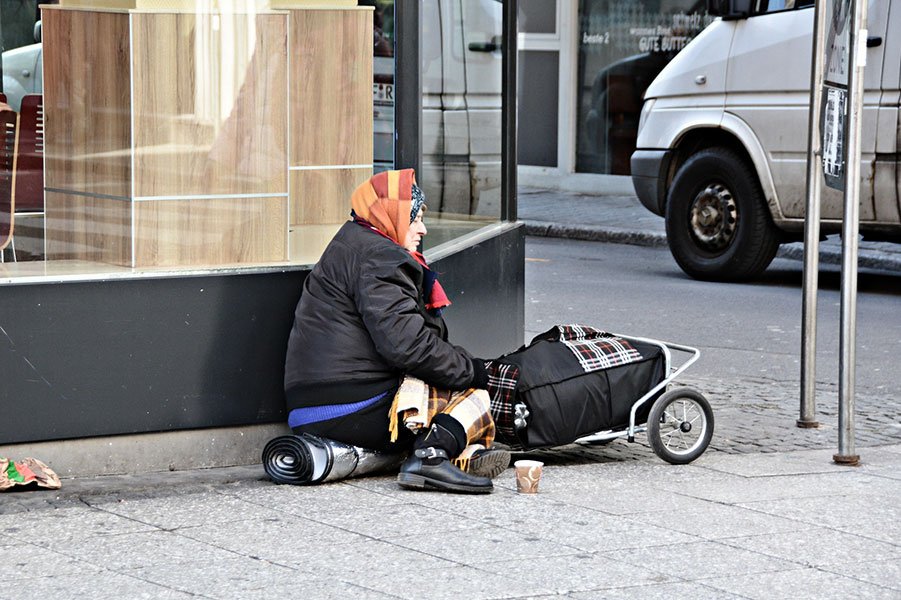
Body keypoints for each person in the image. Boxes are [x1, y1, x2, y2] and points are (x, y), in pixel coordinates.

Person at [283, 169, 509, 493]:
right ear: (392, 215)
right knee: (474, 395)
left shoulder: (356, 242)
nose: (422, 228)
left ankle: (461, 455)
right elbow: (408, 347)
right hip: (346, 407)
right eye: (414, 218)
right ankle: (431, 458)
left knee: (447, 386)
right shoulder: (379, 256)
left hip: (321, 402)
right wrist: (473, 370)